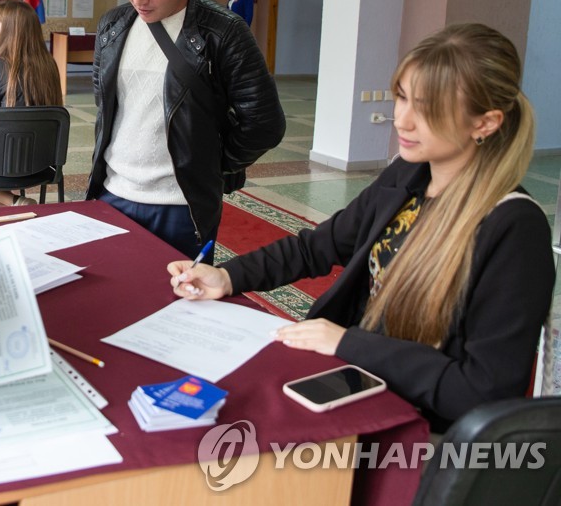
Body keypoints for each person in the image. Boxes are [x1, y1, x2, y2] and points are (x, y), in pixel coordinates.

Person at [169, 23, 554, 433]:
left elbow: (482, 390)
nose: (401, 121)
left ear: (486, 123)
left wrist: (346, 343)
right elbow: (317, 247)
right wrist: (227, 276)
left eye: (427, 108)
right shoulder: (409, 174)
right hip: (361, 380)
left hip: (421, 428)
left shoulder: (514, 227)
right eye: (402, 98)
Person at [88, 0, 285, 261]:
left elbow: (265, 122)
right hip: (112, 193)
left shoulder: (224, 32)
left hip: (180, 205)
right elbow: (106, 106)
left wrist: (209, 163)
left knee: (177, 308)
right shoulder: (113, 25)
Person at [0, 0, 63, 207]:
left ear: (8, 30)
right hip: (43, 163)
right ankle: (1, 202)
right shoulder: (50, 66)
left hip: (1, 164)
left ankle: (9, 199)